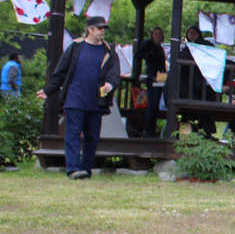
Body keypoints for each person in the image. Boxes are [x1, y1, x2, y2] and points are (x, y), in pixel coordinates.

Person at [37, 16, 120, 179]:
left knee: (92, 137)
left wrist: (110, 84)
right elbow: (60, 72)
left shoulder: (109, 51)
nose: (102, 31)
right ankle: (73, 169)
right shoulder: (76, 47)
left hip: (96, 101)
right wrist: (48, 90)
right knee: (73, 134)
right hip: (75, 98)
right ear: (90, 29)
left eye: (104, 28)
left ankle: (86, 169)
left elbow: (114, 73)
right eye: (99, 28)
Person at [178, 25, 216, 136]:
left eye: (194, 32)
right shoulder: (187, 48)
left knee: (197, 111)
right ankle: (190, 135)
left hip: (199, 86)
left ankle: (193, 134)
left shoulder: (204, 45)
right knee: (190, 112)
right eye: (189, 33)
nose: (192, 34)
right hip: (190, 87)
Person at [138, 27, 166, 137]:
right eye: (156, 34)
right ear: (152, 35)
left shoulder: (160, 48)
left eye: (160, 34)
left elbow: (162, 65)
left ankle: (152, 129)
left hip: (160, 77)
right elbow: (138, 55)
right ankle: (148, 130)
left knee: (156, 104)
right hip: (152, 77)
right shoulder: (148, 45)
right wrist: (149, 55)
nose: (158, 36)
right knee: (152, 104)